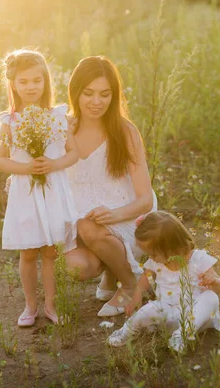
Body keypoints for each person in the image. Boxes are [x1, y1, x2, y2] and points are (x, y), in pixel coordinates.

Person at [64, 56, 157, 316]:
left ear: (114, 95)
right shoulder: (63, 130)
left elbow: (145, 199)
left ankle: (130, 285)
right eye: (89, 93)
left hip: (127, 215)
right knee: (76, 267)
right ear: (75, 92)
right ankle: (115, 269)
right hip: (85, 223)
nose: (97, 102)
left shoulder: (124, 132)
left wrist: (114, 214)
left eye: (105, 94)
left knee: (88, 225)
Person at [0, 49, 79, 327]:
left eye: (36, 81)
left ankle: (51, 306)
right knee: (29, 251)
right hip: (25, 192)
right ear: (13, 85)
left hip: (52, 189)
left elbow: (73, 154)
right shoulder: (8, 121)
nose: (31, 87)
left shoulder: (57, 116)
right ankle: (30, 306)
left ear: (46, 82)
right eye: (24, 81)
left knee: (50, 251)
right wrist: (28, 168)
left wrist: (53, 164)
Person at [107, 211, 220, 350]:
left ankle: (182, 335)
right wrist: (137, 296)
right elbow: (145, 278)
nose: (151, 257)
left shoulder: (198, 259)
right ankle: (128, 331)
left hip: (196, 316)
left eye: (154, 253)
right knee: (149, 309)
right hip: (168, 313)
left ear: (173, 247)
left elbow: (219, 288)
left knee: (211, 297)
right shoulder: (156, 263)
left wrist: (214, 281)